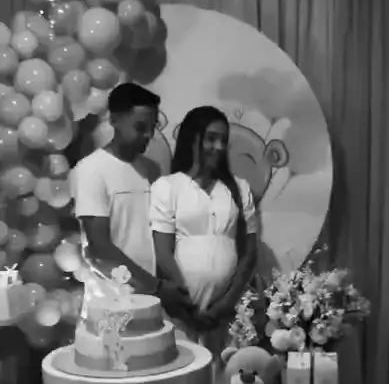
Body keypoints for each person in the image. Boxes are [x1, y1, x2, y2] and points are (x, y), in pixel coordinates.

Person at [70, 83, 188, 314]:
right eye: (140, 127)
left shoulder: (152, 170)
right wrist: (155, 287)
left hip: (152, 304)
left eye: (152, 127)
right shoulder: (90, 170)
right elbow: (98, 251)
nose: (148, 136)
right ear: (114, 120)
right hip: (111, 308)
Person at [150, 106, 258, 354]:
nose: (218, 147)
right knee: (182, 371)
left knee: (225, 374)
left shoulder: (239, 188)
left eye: (223, 140)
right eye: (211, 138)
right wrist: (188, 307)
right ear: (192, 138)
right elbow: (162, 254)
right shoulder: (167, 186)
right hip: (179, 315)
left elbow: (249, 253)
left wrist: (226, 303)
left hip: (228, 316)